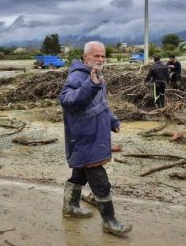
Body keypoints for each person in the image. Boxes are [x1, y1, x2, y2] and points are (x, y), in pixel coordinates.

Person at [59, 41, 132, 236]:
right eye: (96, 56)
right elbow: (67, 100)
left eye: (103, 56)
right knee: (99, 179)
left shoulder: (98, 76)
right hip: (84, 136)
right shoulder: (77, 77)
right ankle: (109, 221)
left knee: (79, 174)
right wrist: (90, 84)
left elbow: (101, 104)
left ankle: (70, 207)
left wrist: (112, 120)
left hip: (96, 133)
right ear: (86, 58)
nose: (100, 60)